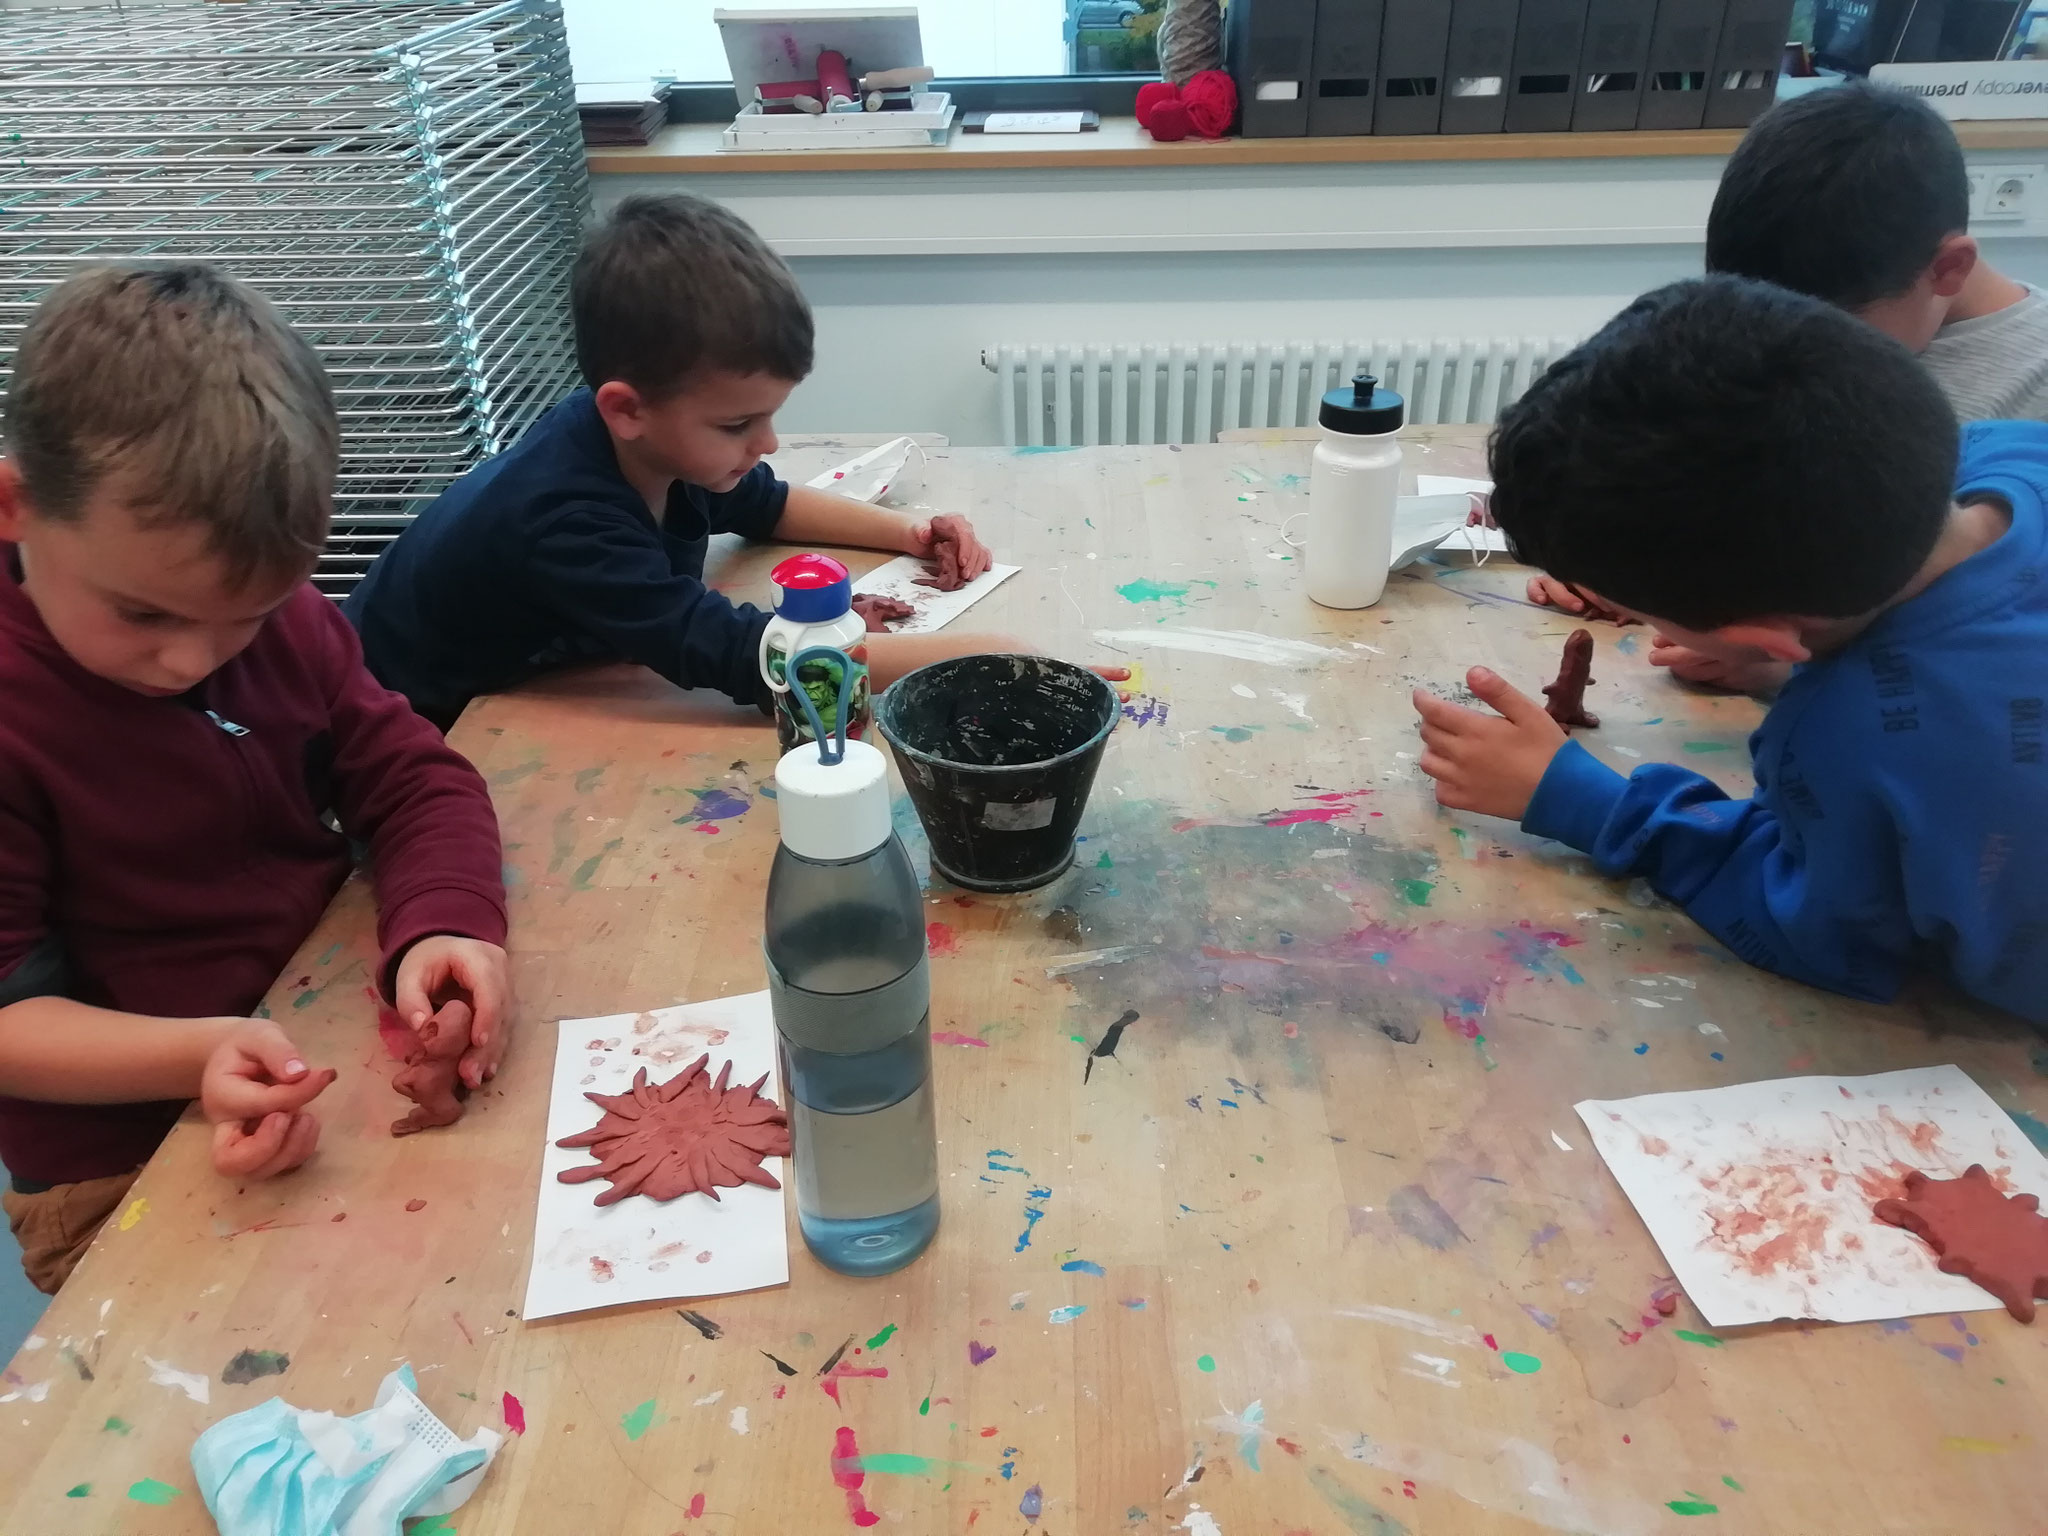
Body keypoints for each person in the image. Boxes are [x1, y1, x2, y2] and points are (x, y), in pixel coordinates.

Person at [0, 264, 511, 1293]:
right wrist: (199, 1056)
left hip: (313, 1040)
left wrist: (446, 924)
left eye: (249, 616)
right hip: (120, 1153)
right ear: (14, 506)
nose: (192, 659)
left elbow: (414, 778)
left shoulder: (279, 621)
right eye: (144, 615)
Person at [1411, 276, 2048, 1024]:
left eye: (1642, 612)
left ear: (1757, 634)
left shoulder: (1856, 738)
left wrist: (1583, 800)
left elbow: (1821, 931)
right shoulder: (2005, 452)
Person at [345, 193, 1033, 731]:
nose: (766, 444)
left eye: (769, 416)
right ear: (627, 408)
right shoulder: (565, 518)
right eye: (738, 424)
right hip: (407, 725)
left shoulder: (655, 444)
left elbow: (767, 504)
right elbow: (741, 657)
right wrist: (990, 652)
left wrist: (911, 534)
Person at [1529, 80, 2048, 624]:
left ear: (1948, 269)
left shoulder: (2030, 399)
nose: (1785, 343)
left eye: (1831, 331)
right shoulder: (1796, 301)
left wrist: (1787, 655)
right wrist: (1613, 560)